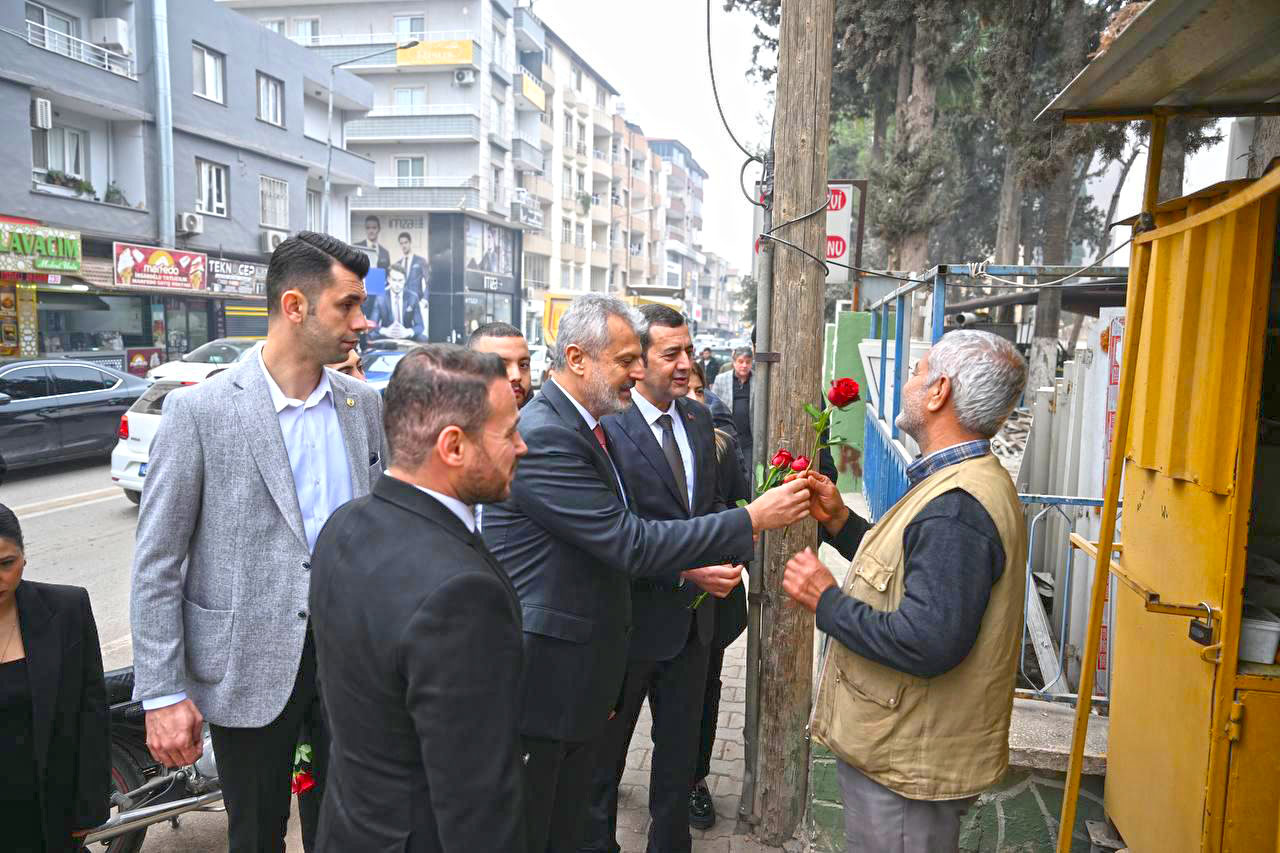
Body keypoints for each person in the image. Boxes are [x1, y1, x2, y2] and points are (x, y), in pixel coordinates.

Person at [480, 294, 811, 853]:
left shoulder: (590, 424)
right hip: (552, 670)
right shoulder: (548, 435)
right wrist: (750, 518)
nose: (641, 371)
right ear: (578, 358)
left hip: (610, 648)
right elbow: (627, 538)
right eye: (629, 359)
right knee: (554, 817)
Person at [130, 232, 387, 853]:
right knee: (254, 836)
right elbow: (157, 563)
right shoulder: (202, 413)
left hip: (353, 668)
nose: (363, 320)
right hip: (246, 667)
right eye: (347, 306)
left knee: (352, 831)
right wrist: (163, 692)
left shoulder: (363, 404)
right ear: (295, 306)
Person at [782, 329, 1029, 853]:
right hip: (906, 749)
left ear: (940, 392)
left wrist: (827, 601)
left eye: (919, 371)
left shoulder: (958, 506)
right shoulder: (959, 483)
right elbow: (908, 574)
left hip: (907, 762)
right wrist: (844, 524)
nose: (909, 381)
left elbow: (927, 641)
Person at [310, 345, 528, 852]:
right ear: (453, 446)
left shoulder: (343, 526)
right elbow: (476, 804)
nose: (522, 447)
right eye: (508, 433)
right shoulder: (462, 596)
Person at [582, 306, 743, 853]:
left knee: (677, 765)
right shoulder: (607, 426)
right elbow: (614, 533)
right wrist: (685, 566)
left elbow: (713, 505)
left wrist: (728, 556)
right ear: (638, 361)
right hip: (628, 627)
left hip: (693, 625)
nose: (684, 365)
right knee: (602, 767)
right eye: (670, 354)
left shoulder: (698, 420)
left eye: (689, 352)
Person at [0, 503, 109, 852]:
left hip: (49, 814)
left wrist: (88, 808)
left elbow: (91, 712)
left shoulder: (67, 610)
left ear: (24, 557)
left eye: (6, 564)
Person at [684, 364, 749, 831]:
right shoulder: (621, 438)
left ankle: (694, 779)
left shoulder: (722, 446)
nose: (691, 400)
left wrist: (728, 540)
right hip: (645, 602)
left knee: (704, 691)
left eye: (698, 392)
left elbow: (745, 506)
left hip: (708, 603)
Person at [468, 321, 533, 409]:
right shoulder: (450, 419)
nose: (516, 376)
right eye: (501, 365)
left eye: (523, 365)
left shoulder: (544, 418)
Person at [712, 346, 754, 470]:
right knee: (727, 470)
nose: (744, 365)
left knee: (748, 471)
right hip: (727, 436)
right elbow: (713, 405)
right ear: (734, 362)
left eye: (748, 362)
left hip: (749, 438)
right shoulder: (721, 379)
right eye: (741, 361)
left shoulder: (758, 380)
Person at [371, 265, 426, 342]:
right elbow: (373, 324)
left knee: (423, 339)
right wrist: (385, 331)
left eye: (400, 280)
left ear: (405, 280)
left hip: (406, 334)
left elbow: (420, 326)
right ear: (388, 279)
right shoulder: (380, 297)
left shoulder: (413, 297)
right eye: (394, 280)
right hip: (387, 334)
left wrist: (408, 332)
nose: (397, 284)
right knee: (370, 336)